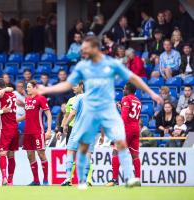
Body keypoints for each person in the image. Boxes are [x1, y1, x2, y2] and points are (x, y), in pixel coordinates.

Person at [37, 36, 162, 189]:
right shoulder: (83, 66)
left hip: (108, 109)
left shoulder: (111, 63)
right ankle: (82, 180)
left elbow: (133, 77)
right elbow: (68, 84)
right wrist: (46, 89)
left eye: (85, 47)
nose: (82, 50)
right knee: (84, 147)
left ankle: (130, 178)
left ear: (95, 47)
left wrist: (151, 93)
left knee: (120, 144)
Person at [17, 80, 52, 186]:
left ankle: (45, 180)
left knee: (41, 154)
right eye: (27, 87)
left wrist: (49, 130)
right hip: (27, 132)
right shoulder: (27, 100)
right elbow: (28, 115)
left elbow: (49, 115)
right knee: (30, 155)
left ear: (35, 88)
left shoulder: (41, 98)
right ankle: (36, 180)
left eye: (29, 87)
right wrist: (16, 120)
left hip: (38, 131)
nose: (27, 89)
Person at [106, 83, 142, 186]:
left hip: (127, 128)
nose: (123, 90)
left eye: (124, 89)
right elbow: (132, 115)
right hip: (136, 128)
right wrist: (122, 108)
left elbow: (124, 117)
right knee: (135, 155)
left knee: (115, 152)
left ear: (127, 90)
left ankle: (114, 179)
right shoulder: (138, 101)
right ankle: (138, 180)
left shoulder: (126, 98)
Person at [60, 82, 94, 187]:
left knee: (71, 152)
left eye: (76, 85)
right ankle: (84, 180)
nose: (73, 87)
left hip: (77, 128)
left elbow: (73, 113)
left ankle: (67, 178)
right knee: (87, 154)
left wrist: (65, 124)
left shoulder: (79, 97)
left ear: (82, 86)